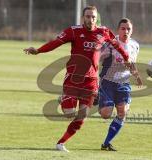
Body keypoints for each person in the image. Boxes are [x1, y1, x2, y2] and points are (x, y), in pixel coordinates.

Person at [23, 6, 131, 152]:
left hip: (91, 82)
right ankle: (64, 99)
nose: (91, 19)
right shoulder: (74, 31)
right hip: (74, 78)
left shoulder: (103, 32)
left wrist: (126, 58)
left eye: (93, 17)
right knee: (69, 114)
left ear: (96, 18)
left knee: (81, 118)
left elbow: (117, 45)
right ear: (83, 17)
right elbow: (56, 42)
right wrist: (38, 50)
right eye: (88, 16)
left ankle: (60, 143)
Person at [98, 18, 142, 151]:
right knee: (106, 114)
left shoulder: (135, 45)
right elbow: (97, 58)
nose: (126, 31)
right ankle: (96, 98)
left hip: (124, 83)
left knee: (122, 112)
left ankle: (106, 143)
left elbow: (131, 63)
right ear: (118, 30)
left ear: (132, 30)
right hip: (107, 82)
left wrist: (137, 76)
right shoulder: (111, 44)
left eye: (128, 29)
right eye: (123, 28)